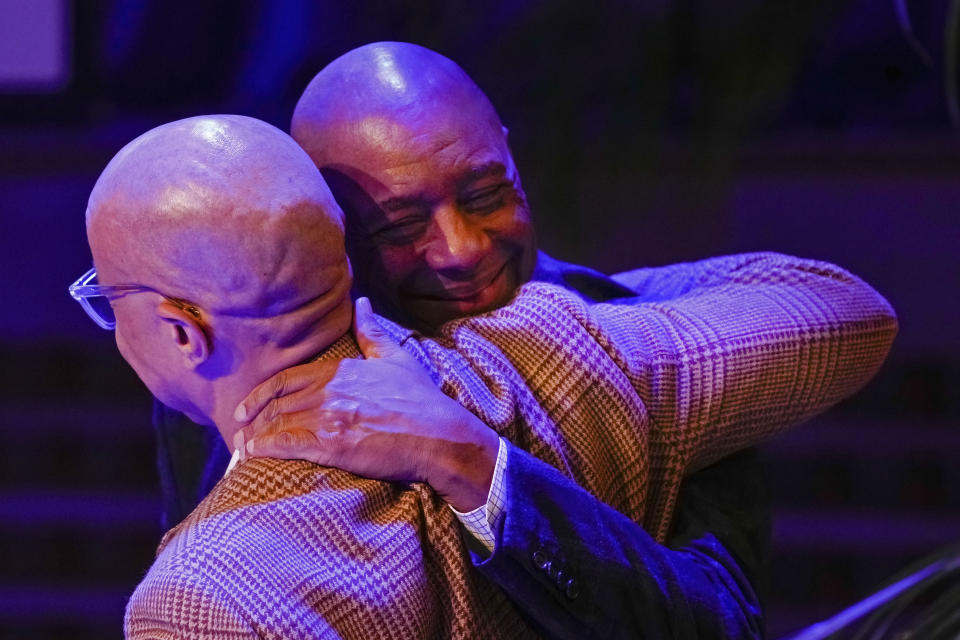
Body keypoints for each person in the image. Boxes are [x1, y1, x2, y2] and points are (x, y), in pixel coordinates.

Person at [74, 114, 895, 639]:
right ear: (343, 248)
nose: (462, 251)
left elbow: (717, 627)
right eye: (401, 225)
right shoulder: (562, 357)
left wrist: (468, 450)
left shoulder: (201, 599)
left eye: (485, 193)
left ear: (182, 329)